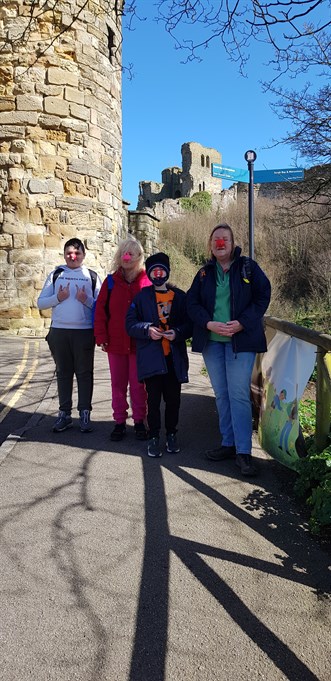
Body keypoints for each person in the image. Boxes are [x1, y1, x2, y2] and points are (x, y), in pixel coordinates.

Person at [187, 223, 271, 476]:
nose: (219, 243)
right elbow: (192, 303)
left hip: (241, 342)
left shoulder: (248, 268)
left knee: (238, 395)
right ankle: (228, 443)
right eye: (215, 240)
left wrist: (242, 322)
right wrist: (208, 322)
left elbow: (263, 296)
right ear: (210, 245)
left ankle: (243, 452)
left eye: (224, 239)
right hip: (213, 343)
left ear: (233, 243)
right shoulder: (204, 273)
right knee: (222, 395)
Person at [126, 252, 192, 458]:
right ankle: (153, 436)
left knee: (174, 401)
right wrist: (147, 330)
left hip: (174, 360)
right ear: (150, 273)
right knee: (152, 402)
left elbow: (190, 324)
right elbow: (130, 324)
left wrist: (178, 333)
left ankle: (171, 434)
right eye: (154, 270)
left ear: (168, 272)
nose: (158, 273)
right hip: (152, 360)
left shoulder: (180, 297)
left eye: (162, 270)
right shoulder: (141, 297)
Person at [38, 237, 101, 433]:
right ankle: (64, 414)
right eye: (69, 253)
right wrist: (58, 297)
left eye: (77, 253)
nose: (72, 256)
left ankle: (84, 414)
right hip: (59, 331)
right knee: (63, 373)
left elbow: (101, 308)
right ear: (64, 254)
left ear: (83, 255)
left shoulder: (91, 276)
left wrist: (86, 300)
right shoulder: (56, 274)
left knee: (84, 374)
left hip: (84, 332)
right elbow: (41, 303)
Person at [93, 237, 150, 441]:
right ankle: (119, 421)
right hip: (115, 343)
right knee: (117, 384)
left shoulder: (146, 282)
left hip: (139, 345)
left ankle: (139, 421)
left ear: (139, 257)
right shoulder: (110, 282)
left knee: (138, 385)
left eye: (131, 253)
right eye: (124, 252)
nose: (126, 257)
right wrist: (101, 336)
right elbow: (100, 312)